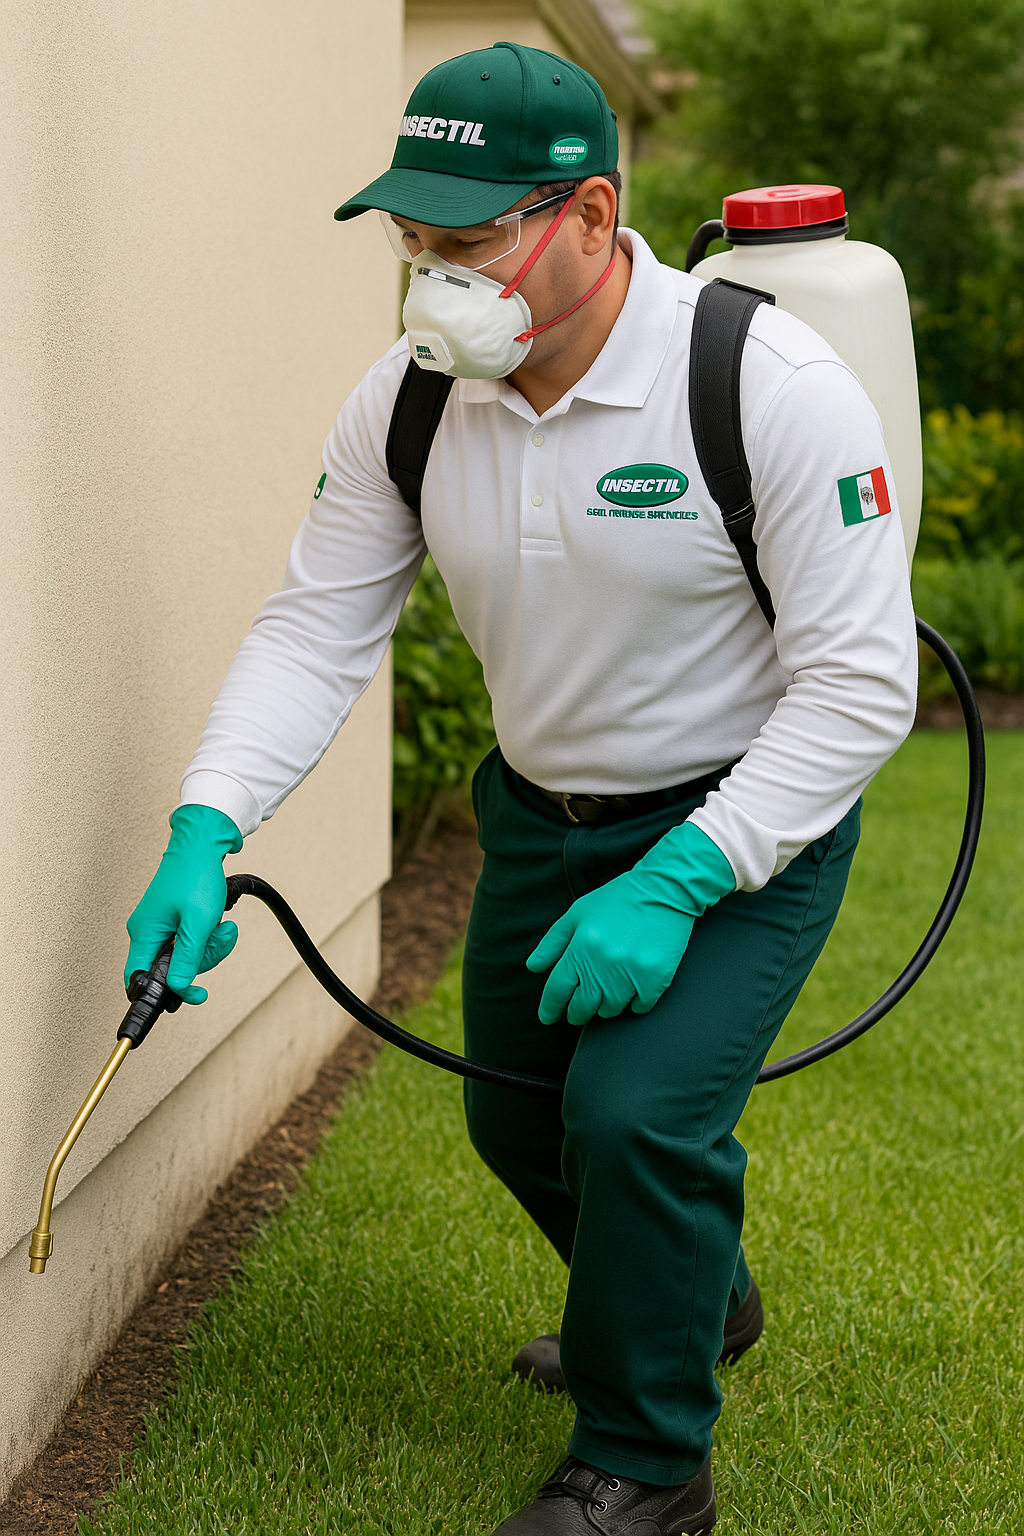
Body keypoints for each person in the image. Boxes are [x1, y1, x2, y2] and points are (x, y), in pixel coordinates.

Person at [125, 41, 917, 1535]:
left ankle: (643, 1462)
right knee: (517, 1120)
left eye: (472, 239)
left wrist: (682, 875)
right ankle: (692, 1296)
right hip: (542, 819)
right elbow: (317, 625)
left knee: (632, 1121)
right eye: (415, 241)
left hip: (741, 822)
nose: (434, 279)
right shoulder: (413, 404)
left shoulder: (761, 385)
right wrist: (203, 823)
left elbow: (863, 682)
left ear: (596, 216)